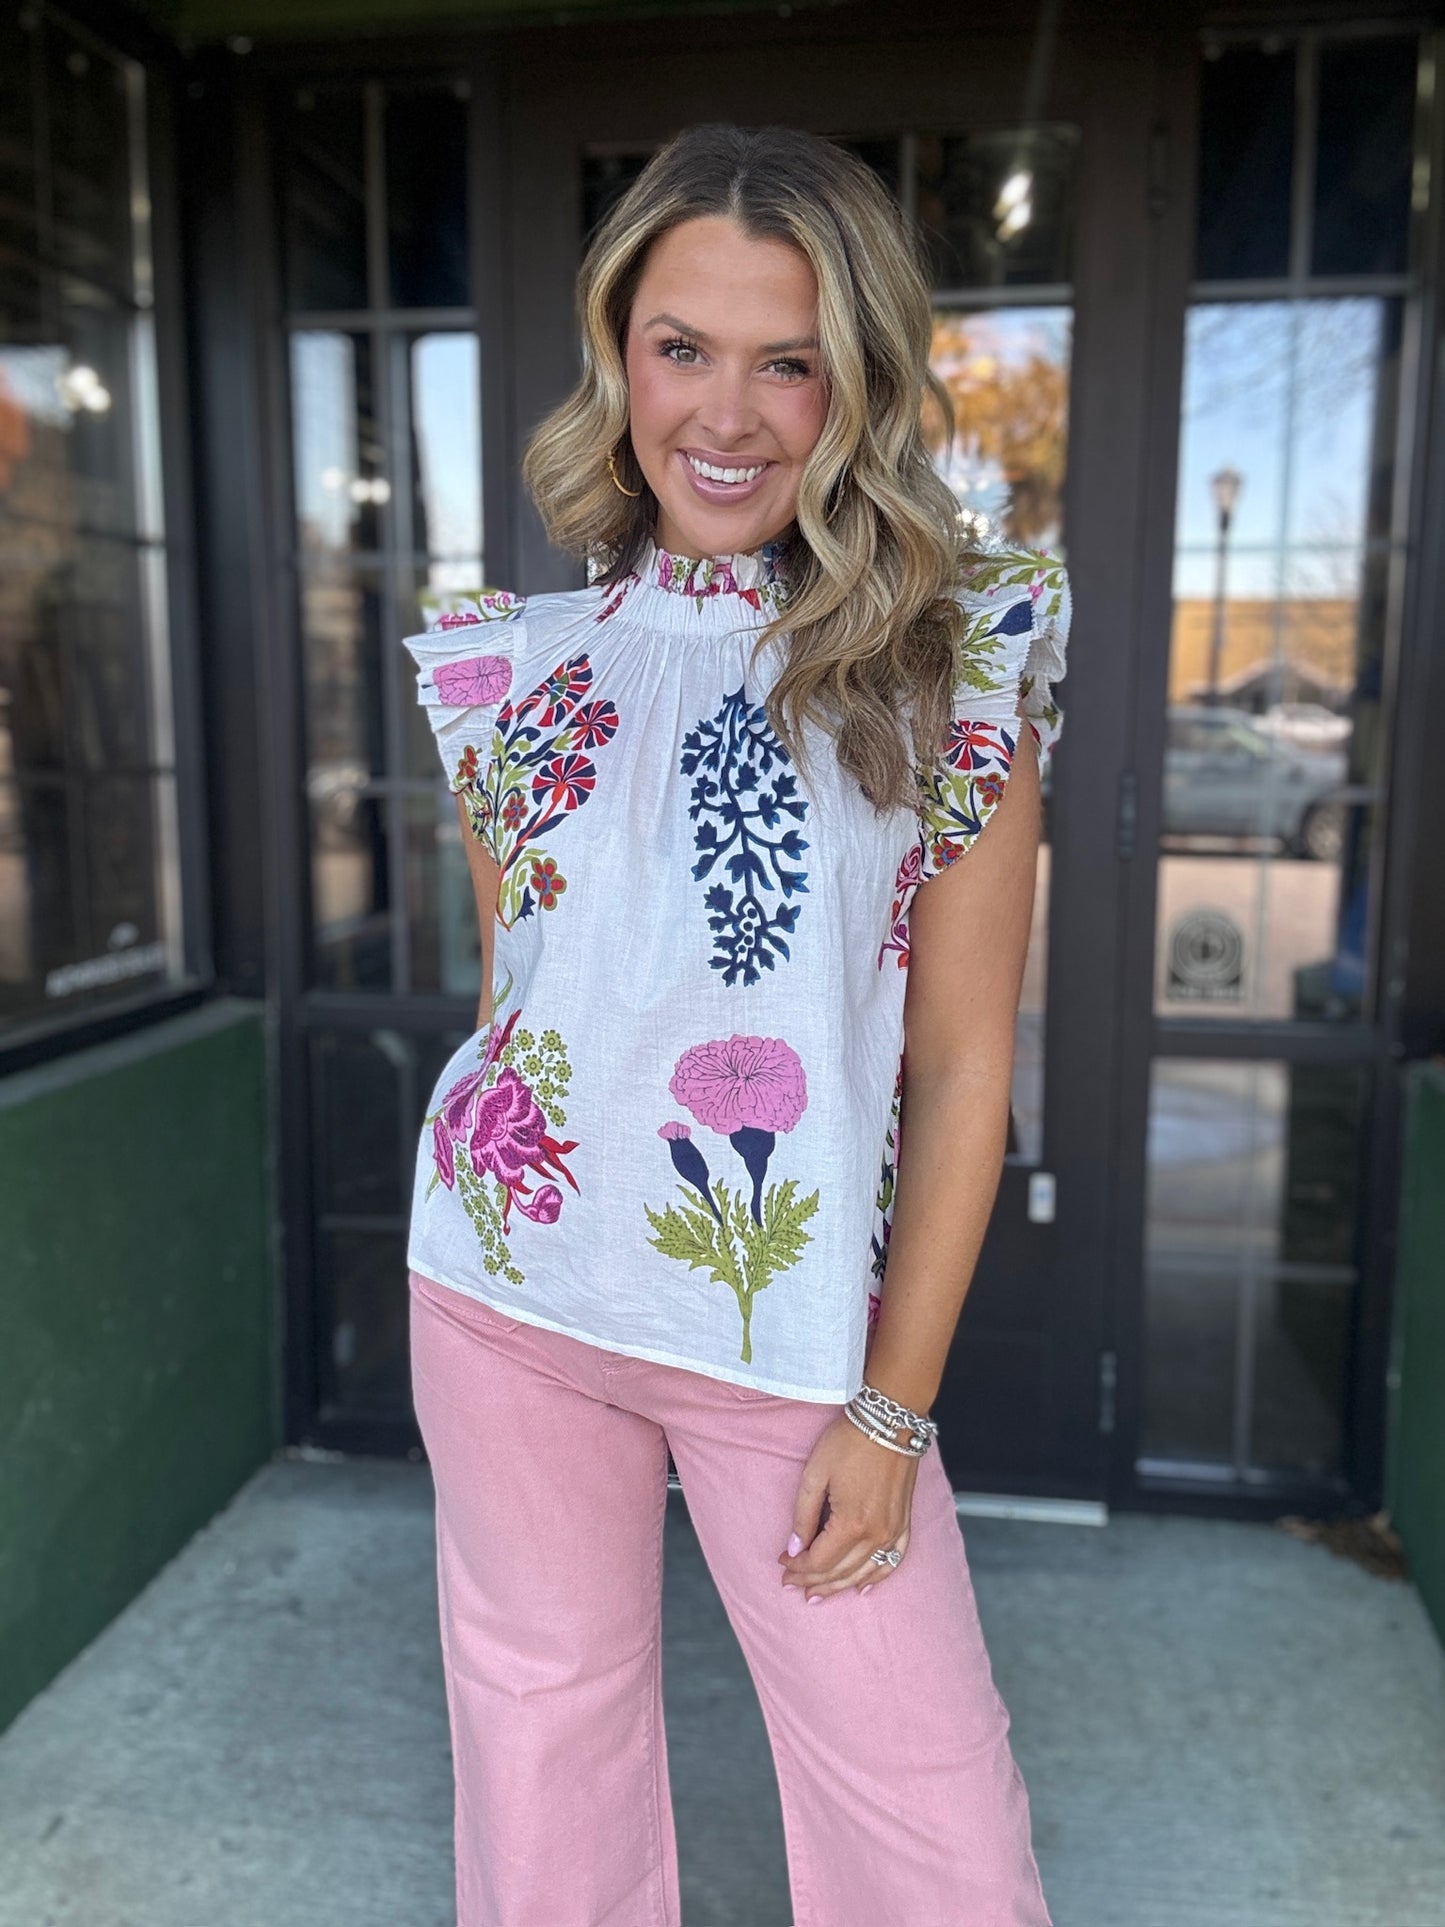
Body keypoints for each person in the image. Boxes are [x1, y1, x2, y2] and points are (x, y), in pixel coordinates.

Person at [402, 121, 1068, 1927]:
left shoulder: (956, 660)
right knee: (541, 1751)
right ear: (618, 350)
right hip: (505, 1303)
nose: (729, 411)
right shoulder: (504, 670)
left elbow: (958, 1067)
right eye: (682, 346)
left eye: (790, 361)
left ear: (854, 384)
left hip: (788, 1342)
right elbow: (517, 997)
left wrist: (895, 1407)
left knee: (929, 1824)